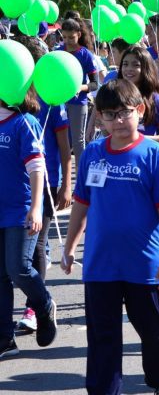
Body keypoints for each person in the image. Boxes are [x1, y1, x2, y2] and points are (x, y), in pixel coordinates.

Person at [61, 79, 159, 394]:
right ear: (98, 117)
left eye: (124, 113)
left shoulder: (155, 154)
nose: (118, 121)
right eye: (109, 114)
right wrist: (70, 245)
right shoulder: (92, 154)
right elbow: (82, 203)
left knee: (153, 332)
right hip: (101, 265)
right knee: (102, 337)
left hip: (145, 266)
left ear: (140, 111)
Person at [13, 37, 72, 333]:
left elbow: (64, 144)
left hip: (43, 181)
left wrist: (65, 184)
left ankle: (35, 307)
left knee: (36, 245)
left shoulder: (51, 97)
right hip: (12, 183)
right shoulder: (10, 94)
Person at [0, 83, 58, 358]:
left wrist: (36, 208)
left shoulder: (25, 123)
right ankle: (5, 338)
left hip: (20, 209)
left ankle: (44, 304)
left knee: (18, 267)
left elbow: (37, 168)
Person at [59, 18, 100, 167]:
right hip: (59, 102)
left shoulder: (86, 55)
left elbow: (95, 84)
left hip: (78, 103)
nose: (67, 41)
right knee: (61, 138)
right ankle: (62, 173)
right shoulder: (58, 52)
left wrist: (80, 88)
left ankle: (81, 174)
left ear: (79, 34)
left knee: (78, 140)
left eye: (71, 37)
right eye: (64, 37)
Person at [117, 46, 159, 146]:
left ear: (146, 69)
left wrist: (140, 139)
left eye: (136, 65)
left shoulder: (156, 100)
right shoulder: (116, 95)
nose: (129, 69)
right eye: (125, 64)